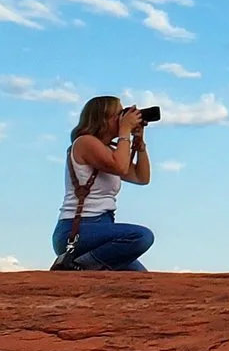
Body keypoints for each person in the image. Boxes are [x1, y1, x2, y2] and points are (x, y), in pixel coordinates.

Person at [52, 94, 155, 272]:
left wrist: (139, 143)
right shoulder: (84, 143)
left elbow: (141, 177)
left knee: (140, 277)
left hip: (103, 228)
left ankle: (79, 266)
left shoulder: (111, 151)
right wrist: (124, 132)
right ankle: (77, 267)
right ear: (102, 119)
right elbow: (121, 167)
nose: (123, 119)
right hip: (77, 230)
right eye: (119, 114)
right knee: (142, 236)